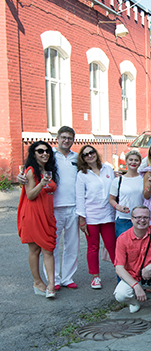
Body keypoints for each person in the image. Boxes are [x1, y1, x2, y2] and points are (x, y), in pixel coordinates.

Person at [18, 141, 58, 298]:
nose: (44, 153)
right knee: (35, 250)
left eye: (47, 151)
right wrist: (41, 183)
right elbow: (30, 195)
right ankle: (38, 282)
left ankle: (51, 285)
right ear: (33, 154)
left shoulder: (49, 170)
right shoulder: (30, 171)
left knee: (49, 249)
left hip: (47, 214)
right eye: (40, 151)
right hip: (33, 214)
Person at [43, 126, 80, 289]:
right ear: (57, 138)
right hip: (53, 206)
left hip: (73, 206)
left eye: (69, 138)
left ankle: (67, 277)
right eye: (63, 137)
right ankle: (54, 279)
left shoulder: (77, 157)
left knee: (72, 244)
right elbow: (33, 168)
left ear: (73, 140)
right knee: (52, 244)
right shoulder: (49, 155)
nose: (66, 140)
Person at [76, 145, 116, 290]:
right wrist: (82, 218)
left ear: (96, 153)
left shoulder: (108, 169)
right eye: (86, 154)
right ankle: (95, 277)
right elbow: (80, 197)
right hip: (91, 216)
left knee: (112, 245)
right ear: (83, 158)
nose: (89, 156)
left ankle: (121, 273)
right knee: (93, 247)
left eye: (91, 152)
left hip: (108, 215)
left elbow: (114, 189)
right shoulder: (82, 174)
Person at [110, 150, 144, 238]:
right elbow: (111, 199)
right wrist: (118, 207)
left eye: (136, 160)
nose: (133, 162)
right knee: (124, 248)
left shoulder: (143, 179)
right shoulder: (118, 180)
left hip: (141, 219)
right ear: (126, 161)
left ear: (140, 162)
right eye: (131, 159)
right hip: (124, 219)